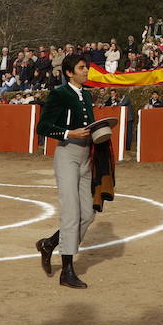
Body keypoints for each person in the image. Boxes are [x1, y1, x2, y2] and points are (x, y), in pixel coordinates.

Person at [34, 54, 99, 288]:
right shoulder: (60, 94)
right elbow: (42, 126)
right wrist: (68, 133)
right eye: (82, 68)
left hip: (85, 157)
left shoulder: (87, 94)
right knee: (71, 213)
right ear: (69, 72)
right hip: (67, 154)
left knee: (88, 214)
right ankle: (67, 272)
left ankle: (50, 243)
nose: (86, 71)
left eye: (87, 67)